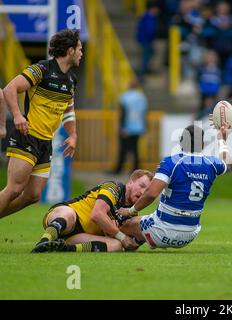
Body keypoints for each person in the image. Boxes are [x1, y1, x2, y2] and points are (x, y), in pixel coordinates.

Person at [0, 29, 82, 219]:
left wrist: (73, 135)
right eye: (79, 49)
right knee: (14, 189)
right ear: (70, 51)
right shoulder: (42, 69)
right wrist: (18, 116)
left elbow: (68, 110)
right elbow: (10, 88)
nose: (81, 53)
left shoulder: (71, 80)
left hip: (46, 143)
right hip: (28, 135)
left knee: (32, 195)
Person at [114, 124, 230, 250]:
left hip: (163, 230)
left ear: (181, 143)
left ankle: (104, 244)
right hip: (190, 234)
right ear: (202, 144)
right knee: (145, 221)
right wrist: (222, 140)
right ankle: (137, 241)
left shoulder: (171, 162)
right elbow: (226, 164)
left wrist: (130, 210)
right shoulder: (212, 163)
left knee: (124, 224)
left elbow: (152, 193)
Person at [31, 169, 153, 253]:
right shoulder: (114, 188)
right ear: (130, 182)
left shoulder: (131, 213)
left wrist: (132, 242)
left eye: (146, 191)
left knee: (116, 246)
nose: (142, 192)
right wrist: (120, 236)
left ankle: (64, 248)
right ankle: (44, 241)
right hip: (64, 215)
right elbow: (97, 215)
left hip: (79, 236)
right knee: (68, 215)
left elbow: (127, 243)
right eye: (141, 186)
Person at [111, 79, 148, 174]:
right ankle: (136, 169)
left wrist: (122, 127)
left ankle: (119, 169)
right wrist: (144, 126)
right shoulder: (142, 97)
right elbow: (144, 113)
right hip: (139, 127)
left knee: (123, 149)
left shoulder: (124, 97)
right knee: (135, 149)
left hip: (127, 127)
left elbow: (123, 113)